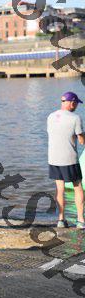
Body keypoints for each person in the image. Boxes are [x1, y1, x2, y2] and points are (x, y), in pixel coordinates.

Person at [47, 91, 85, 229]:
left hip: (53, 159)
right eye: (76, 103)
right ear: (72, 103)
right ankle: (80, 220)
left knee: (60, 188)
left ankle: (61, 220)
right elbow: (81, 141)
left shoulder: (51, 116)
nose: (76, 106)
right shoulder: (75, 118)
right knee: (77, 187)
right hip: (69, 159)